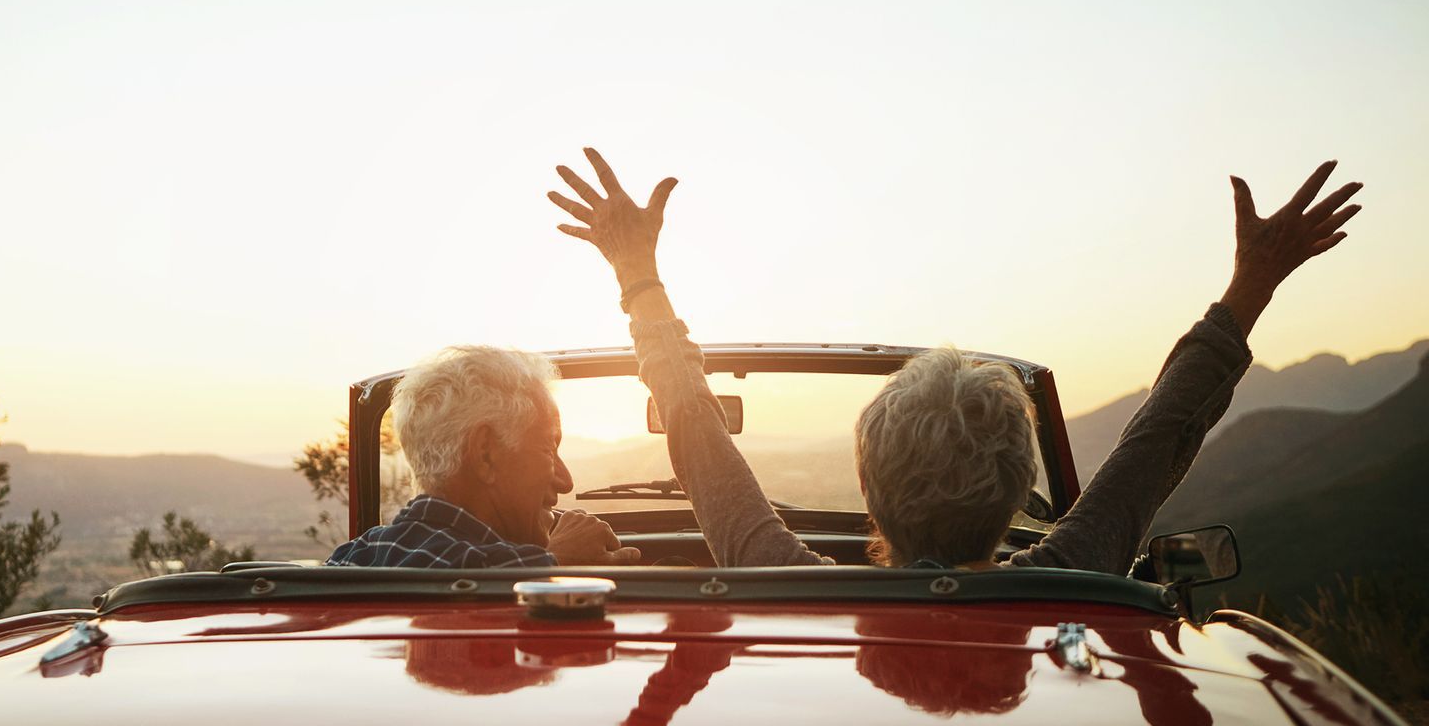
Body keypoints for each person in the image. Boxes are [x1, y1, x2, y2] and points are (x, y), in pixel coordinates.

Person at [548, 148, 1362, 574]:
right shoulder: (1072, 569)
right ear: (1015, 493)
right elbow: (1164, 433)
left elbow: (694, 429)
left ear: (869, 487)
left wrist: (638, 278)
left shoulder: (779, 573)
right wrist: (1252, 283)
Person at [326, 344, 642, 568]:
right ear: (485, 454)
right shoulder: (472, 569)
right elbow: (450, 582)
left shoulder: (350, 559)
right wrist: (555, 565)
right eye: (548, 448)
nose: (565, 481)